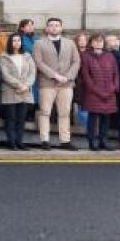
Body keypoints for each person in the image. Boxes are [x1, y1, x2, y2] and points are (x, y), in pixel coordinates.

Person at [31, 17, 79, 150]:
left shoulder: (70, 43)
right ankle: (45, 140)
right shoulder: (39, 43)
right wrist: (55, 75)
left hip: (66, 84)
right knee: (45, 112)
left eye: (57, 25)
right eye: (51, 25)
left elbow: (76, 61)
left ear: (61, 28)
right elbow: (39, 62)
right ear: (47, 28)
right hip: (47, 83)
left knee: (64, 112)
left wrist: (68, 77)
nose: (54, 27)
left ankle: (65, 140)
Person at [74, 33, 119, 151]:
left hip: (109, 93)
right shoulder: (85, 56)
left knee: (106, 119)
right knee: (93, 119)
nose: (98, 43)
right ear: (91, 43)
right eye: (95, 41)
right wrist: (95, 90)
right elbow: (85, 75)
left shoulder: (110, 56)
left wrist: (114, 88)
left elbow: (116, 73)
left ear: (104, 43)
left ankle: (103, 142)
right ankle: (92, 142)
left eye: (100, 41)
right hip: (93, 93)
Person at [0, 32, 35, 151]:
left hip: (25, 91)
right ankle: (11, 142)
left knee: (21, 119)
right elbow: (5, 74)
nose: (17, 43)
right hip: (10, 91)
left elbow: (32, 73)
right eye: (14, 40)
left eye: (19, 40)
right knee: (11, 119)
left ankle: (20, 141)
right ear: (10, 42)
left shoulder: (27, 56)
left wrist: (26, 85)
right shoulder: (3, 56)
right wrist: (19, 85)